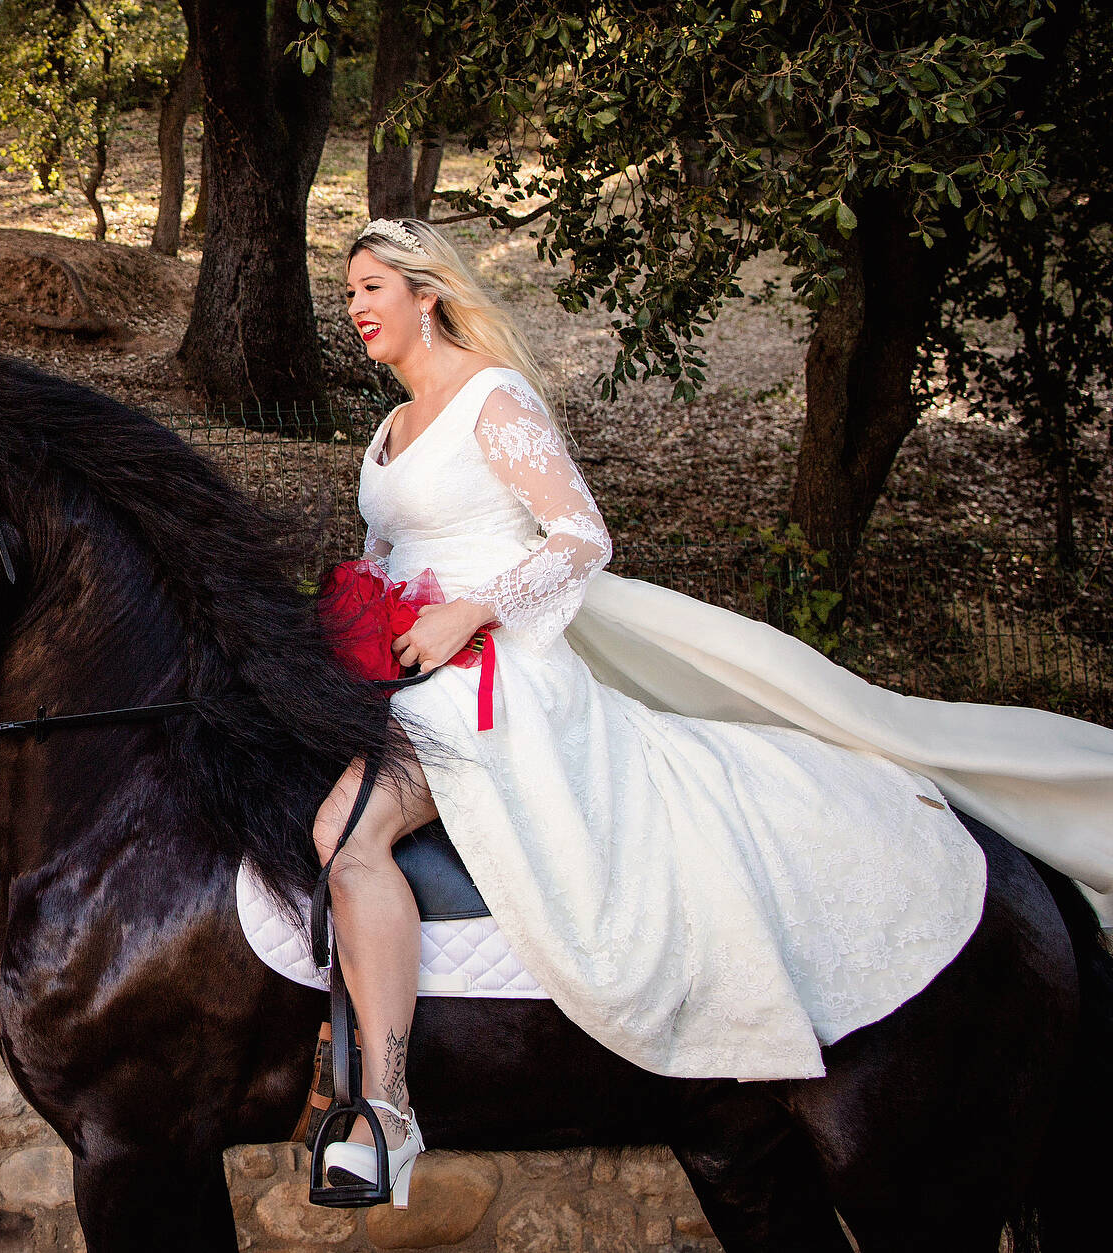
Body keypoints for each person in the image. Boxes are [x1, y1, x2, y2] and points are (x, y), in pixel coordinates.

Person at [313, 216, 1113, 1205]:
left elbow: (578, 536)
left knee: (345, 835)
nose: (354, 306)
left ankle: (384, 1112)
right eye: (347, 291)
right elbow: (384, 562)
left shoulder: (489, 395)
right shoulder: (387, 433)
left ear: (424, 293)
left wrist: (471, 609)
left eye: (370, 287)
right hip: (406, 672)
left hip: (494, 679)